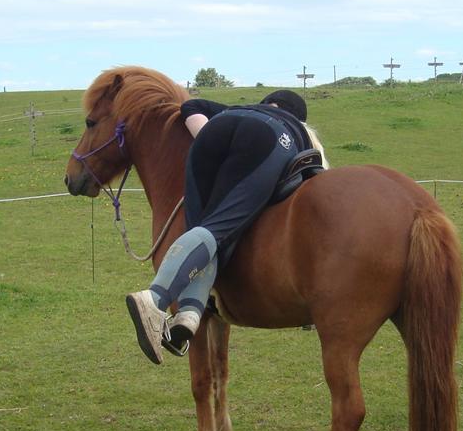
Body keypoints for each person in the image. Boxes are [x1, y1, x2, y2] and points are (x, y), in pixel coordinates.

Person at [126, 89, 324, 364]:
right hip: (269, 139)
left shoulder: (236, 109)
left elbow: (191, 106)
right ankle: (155, 298)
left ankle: (188, 314)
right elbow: (314, 180)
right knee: (222, 229)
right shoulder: (291, 127)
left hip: (210, 136)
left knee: (205, 233)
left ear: (268, 103)